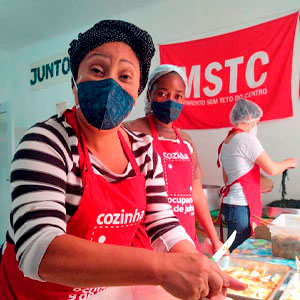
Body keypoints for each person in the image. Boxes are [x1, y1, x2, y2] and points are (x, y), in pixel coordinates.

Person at [0, 20, 246, 300]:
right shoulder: (47, 141)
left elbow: (162, 223)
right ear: (74, 84)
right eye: (97, 70)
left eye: (125, 76)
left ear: (137, 93)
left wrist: (199, 272)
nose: (111, 83)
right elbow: (38, 250)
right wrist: (163, 269)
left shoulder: (143, 151)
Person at [125, 64, 223, 254]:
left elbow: (196, 194)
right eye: (162, 93)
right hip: (147, 241)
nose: (171, 101)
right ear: (149, 95)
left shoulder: (186, 140)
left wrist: (214, 238)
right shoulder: (131, 131)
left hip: (185, 238)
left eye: (178, 96)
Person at [217, 99, 297, 251]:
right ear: (249, 118)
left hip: (231, 204)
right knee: (240, 253)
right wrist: (288, 162)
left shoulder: (226, 142)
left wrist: (254, 184)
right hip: (241, 207)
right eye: (256, 122)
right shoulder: (246, 139)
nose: (256, 126)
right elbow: (272, 169)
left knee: (234, 250)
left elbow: (228, 179)